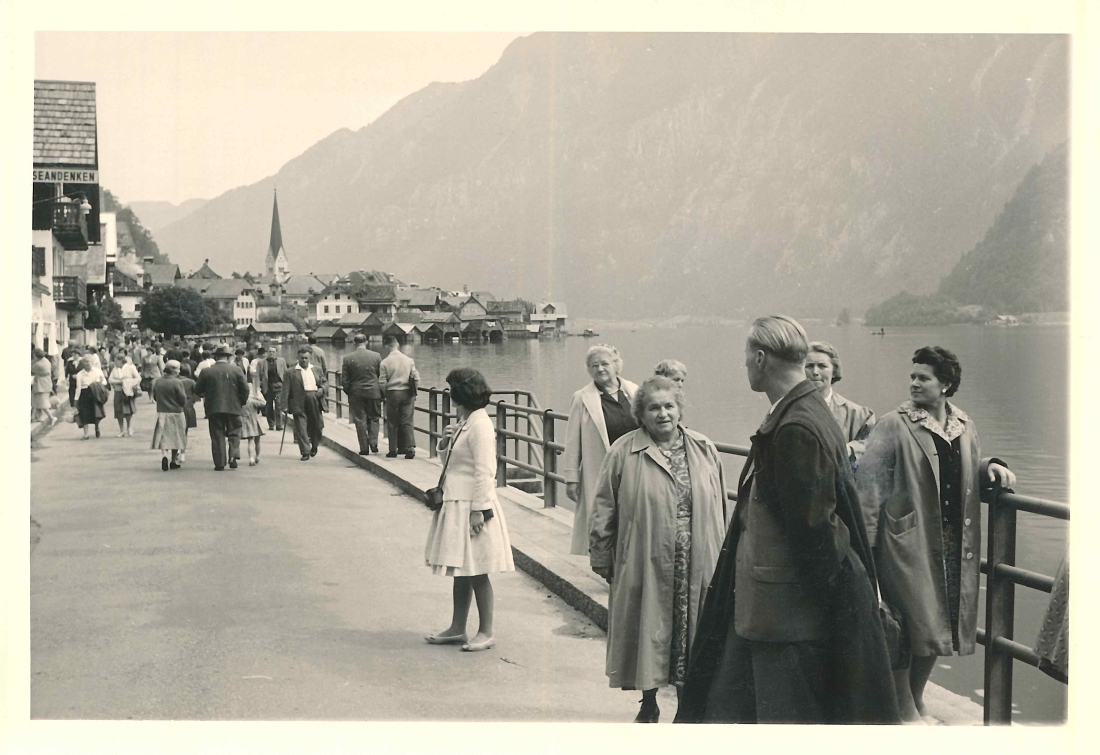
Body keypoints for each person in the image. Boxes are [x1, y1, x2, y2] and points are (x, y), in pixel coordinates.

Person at [676, 315, 900, 724]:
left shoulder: (794, 426)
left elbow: (817, 531)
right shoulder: (809, 409)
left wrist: (837, 621)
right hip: (780, 607)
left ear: (761, 359)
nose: (745, 365)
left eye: (747, 357)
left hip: (786, 615)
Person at [856, 346, 1015, 723]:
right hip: (906, 542)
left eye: (923, 377)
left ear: (945, 384)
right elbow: (870, 490)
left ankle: (915, 696)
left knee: (937, 626)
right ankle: (903, 708)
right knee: (906, 624)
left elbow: (950, 467)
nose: (914, 383)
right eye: (912, 376)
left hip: (952, 543)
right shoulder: (893, 423)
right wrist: (868, 549)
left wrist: (988, 466)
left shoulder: (963, 423)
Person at [589, 376, 730, 722]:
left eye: (669, 406)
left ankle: (687, 705)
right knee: (648, 627)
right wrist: (602, 555)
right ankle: (649, 700)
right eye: (654, 407)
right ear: (641, 414)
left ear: (680, 409)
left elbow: (722, 506)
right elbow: (604, 506)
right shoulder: (623, 451)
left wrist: (724, 556)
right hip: (644, 555)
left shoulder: (704, 448)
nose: (663, 414)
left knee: (692, 631)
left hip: (696, 557)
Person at [424, 368, 514, 652]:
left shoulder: (480, 425)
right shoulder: (466, 421)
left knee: (477, 571)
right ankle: (457, 628)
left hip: (471, 505)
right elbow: (453, 463)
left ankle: (486, 631)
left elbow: (485, 472)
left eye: (451, 388)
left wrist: (479, 511)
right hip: (457, 501)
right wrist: (444, 442)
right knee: (462, 569)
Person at [562, 344, 639, 555]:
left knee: (634, 520)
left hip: (634, 468)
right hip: (601, 470)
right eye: (594, 365)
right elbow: (572, 441)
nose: (600, 369)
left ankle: (630, 567)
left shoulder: (634, 391)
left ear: (616, 366)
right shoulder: (581, 398)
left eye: (605, 364)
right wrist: (571, 479)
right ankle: (611, 570)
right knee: (606, 521)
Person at [804, 341, 876, 465]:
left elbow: (874, 446)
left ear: (834, 371)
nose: (815, 372)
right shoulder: (788, 410)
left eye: (822, 366)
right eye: (809, 366)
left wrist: (847, 450)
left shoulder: (859, 415)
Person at [193, 344, 250, 471]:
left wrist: (207, 395)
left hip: (214, 407)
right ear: (228, 358)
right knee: (234, 432)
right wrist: (241, 401)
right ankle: (233, 456)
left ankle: (220, 462)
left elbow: (197, 390)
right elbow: (245, 389)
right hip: (234, 406)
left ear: (216, 357)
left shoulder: (206, 371)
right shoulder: (236, 370)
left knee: (217, 434)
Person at [279, 347, 327, 461]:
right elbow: (285, 389)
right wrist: (284, 405)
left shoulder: (317, 369)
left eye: (306, 358)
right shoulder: (291, 371)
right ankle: (305, 451)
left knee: (317, 425)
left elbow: (325, 382)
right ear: (298, 358)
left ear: (309, 358)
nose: (304, 360)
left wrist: (322, 389)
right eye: (302, 358)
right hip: (298, 400)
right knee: (301, 427)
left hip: (314, 397)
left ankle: (315, 445)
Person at [340, 333, 383, 455]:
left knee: (360, 420)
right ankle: (374, 443)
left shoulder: (347, 358)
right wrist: (380, 391)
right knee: (374, 418)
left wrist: (351, 392)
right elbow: (381, 376)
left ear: (354, 343)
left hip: (356, 394)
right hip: (374, 392)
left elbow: (344, 380)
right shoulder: (376, 356)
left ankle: (364, 448)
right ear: (367, 342)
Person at [379, 335, 420, 459]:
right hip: (407, 393)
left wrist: (385, 394)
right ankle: (409, 448)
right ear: (397, 344)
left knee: (392, 422)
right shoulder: (409, 360)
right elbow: (416, 378)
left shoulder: (384, 362)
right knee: (407, 421)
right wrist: (414, 391)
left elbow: (382, 382)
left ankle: (393, 450)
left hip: (392, 393)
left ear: (386, 346)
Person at [151, 360, 188, 471]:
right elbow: (183, 399)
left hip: (162, 411)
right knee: (177, 436)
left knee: (164, 436)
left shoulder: (158, 381)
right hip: (176, 412)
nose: (178, 371)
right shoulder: (177, 382)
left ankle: (164, 456)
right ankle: (173, 460)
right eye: (177, 369)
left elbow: (155, 397)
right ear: (174, 370)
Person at [107, 352, 141, 437]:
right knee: (118, 411)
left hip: (128, 391)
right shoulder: (115, 369)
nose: (115, 363)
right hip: (118, 391)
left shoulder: (130, 368)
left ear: (121, 361)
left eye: (116, 361)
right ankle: (121, 430)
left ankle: (129, 427)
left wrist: (129, 382)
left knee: (128, 411)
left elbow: (138, 378)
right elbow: (110, 380)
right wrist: (120, 381)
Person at [74, 355, 108, 440]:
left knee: (96, 413)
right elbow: (78, 387)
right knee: (84, 413)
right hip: (84, 393)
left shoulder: (97, 371)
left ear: (92, 362)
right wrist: (76, 399)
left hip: (95, 392)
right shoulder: (80, 374)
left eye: (89, 361)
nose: (87, 363)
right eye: (85, 362)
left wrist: (98, 383)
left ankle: (97, 427)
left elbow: (104, 381)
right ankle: (86, 434)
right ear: (83, 363)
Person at [240, 369, 266, 466]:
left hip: (247, 418)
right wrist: (257, 398)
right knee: (257, 440)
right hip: (255, 418)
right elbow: (263, 403)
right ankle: (257, 456)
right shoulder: (255, 395)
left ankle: (252, 458)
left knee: (251, 440)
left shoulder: (242, 395)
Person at [258, 348, 287, 431]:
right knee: (269, 406)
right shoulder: (262, 362)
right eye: (270, 351)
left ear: (276, 353)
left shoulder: (281, 361)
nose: (271, 353)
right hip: (268, 386)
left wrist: (285, 385)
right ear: (267, 353)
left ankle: (279, 424)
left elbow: (285, 373)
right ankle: (271, 424)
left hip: (278, 385)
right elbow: (259, 375)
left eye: (273, 352)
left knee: (278, 405)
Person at [178, 362, 198, 465]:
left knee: (176, 430)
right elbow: (198, 394)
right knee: (185, 432)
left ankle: (176, 449)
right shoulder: (191, 382)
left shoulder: (175, 381)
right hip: (188, 407)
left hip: (177, 408)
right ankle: (182, 453)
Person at [31, 348, 57, 426]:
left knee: (42, 402)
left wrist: (33, 361)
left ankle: (52, 417)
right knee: (37, 400)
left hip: (41, 384)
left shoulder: (38, 364)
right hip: (46, 382)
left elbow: (30, 366)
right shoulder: (45, 360)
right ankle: (39, 416)